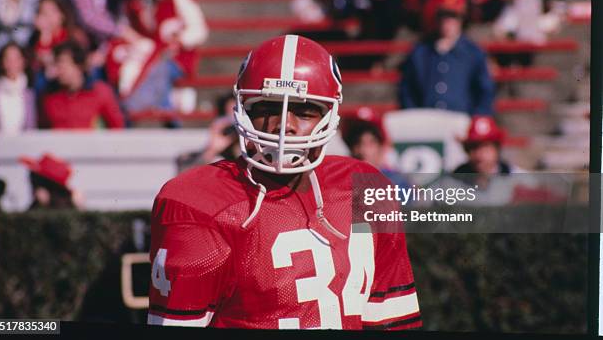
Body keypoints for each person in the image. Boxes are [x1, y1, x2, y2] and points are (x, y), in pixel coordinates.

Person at [148, 35, 421, 330]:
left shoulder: (366, 188)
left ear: (330, 115)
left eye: (304, 111)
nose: (284, 125)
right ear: (243, 109)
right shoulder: (198, 201)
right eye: (267, 108)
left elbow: (391, 322)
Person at [398, 0, 495, 116]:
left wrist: (477, 119)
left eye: (453, 16)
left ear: (461, 19)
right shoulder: (420, 52)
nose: (448, 22)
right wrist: (413, 115)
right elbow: (407, 89)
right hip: (426, 120)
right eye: (444, 16)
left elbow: (485, 92)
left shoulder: (474, 53)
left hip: (461, 120)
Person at [39, 41, 125, 129]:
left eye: (63, 64)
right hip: (57, 142)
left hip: (89, 142)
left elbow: (117, 126)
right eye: (56, 64)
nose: (59, 70)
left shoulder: (100, 92)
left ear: (79, 66)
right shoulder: (49, 96)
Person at [454, 115, 522, 175]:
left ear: (497, 149)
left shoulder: (516, 178)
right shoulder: (455, 178)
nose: (479, 155)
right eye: (474, 147)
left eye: (485, 148)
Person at [0, 43, 37, 134]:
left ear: (23, 61)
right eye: (8, 59)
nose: (12, 63)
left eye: (16, 58)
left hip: (22, 145)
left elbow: (31, 127)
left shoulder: (30, 93)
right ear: (2, 62)